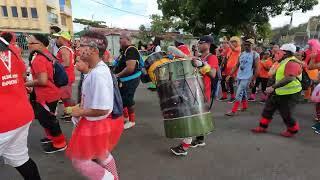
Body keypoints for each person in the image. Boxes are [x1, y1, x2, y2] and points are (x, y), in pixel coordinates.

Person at [66, 31, 123, 180]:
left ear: (95, 51)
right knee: (101, 153)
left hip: (95, 123)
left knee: (80, 161)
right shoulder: (97, 70)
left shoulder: (98, 74)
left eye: (83, 45)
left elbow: (102, 108)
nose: (78, 47)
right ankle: (114, 177)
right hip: (96, 122)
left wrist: (80, 111)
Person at [0, 36, 42, 180]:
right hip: (20, 114)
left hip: (3, 122)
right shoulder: (10, 48)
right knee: (21, 160)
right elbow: (23, 75)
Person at [170, 35, 219, 156]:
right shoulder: (199, 56)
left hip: (202, 92)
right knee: (197, 115)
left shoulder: (212, 57)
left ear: (207, 44)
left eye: (201, 43)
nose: (198, 45)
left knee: (191, 117)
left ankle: (184, 147)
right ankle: (200, 139)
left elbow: (213, 74)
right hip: (194, 90)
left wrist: (202, 65)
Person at [25, 34, 67, 153]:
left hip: (46, 95)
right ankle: (52, 138)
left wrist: (25, 84)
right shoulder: (47, 55)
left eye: (31, 43)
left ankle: (60, 143)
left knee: (49, 119)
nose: (28, 45)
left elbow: (42, 81)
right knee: (45, 118)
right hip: (50, 94)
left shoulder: (39, 59)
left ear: (41, 44)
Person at [251, 43, 302, 138]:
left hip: (290, 94)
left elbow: (289, 78)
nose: (277, 53)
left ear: (286, 53)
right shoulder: (282, 61)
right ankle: (262, 127)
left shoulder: (292, 62)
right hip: (278, 91)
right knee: (268, 109)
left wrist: (272, 87)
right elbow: (276, 75)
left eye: (280, 52)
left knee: (286, 113)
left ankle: (292, 130)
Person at [114, 32, 141, 129]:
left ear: (128, 39)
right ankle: (125, 118)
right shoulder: (124, 50)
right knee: (122, 98)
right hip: (124, 79)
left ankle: (132, 120)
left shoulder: (131, 50)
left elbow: (130, 68)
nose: (119, 40)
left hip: (130, 79)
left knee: (127, 99)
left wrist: (117, 75)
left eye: (121, 38)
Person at [225, 39, 259, 116]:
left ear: (253, 45)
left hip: (247, 78)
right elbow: (237, 65)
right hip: (239, 76)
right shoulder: (241, 54)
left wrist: (253, 80)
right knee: (243, 92)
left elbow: (257, 68)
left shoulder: (255, 55)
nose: (247, 46)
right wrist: (230, 75)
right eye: (245, 44)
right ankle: (244, 107)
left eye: (249, 45)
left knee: (238, 93)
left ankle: (233, 111)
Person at [53, 31, 76, 121]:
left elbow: (66, 63)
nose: (56, 40)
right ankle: (69, 113)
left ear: (62, 39)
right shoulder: (68, 48)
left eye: (58, 38)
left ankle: (72, 114)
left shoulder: (63, 49)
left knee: (67, 97)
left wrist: (54, 66)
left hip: (65, 77)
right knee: (65, 97)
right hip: (67, 76)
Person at [219, 36, 241, 103]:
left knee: (230, 83)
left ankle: (233, 97)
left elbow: (234, 49)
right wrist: (221, 65)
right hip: (226, 68)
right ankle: (224, 95)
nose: (232, 43)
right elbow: (224, 57)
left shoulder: (238, 48)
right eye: (232, 41)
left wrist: (228, 42)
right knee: (222, 81)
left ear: (237, 42)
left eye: (234, 41)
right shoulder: (229, 49)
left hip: (233, 69)